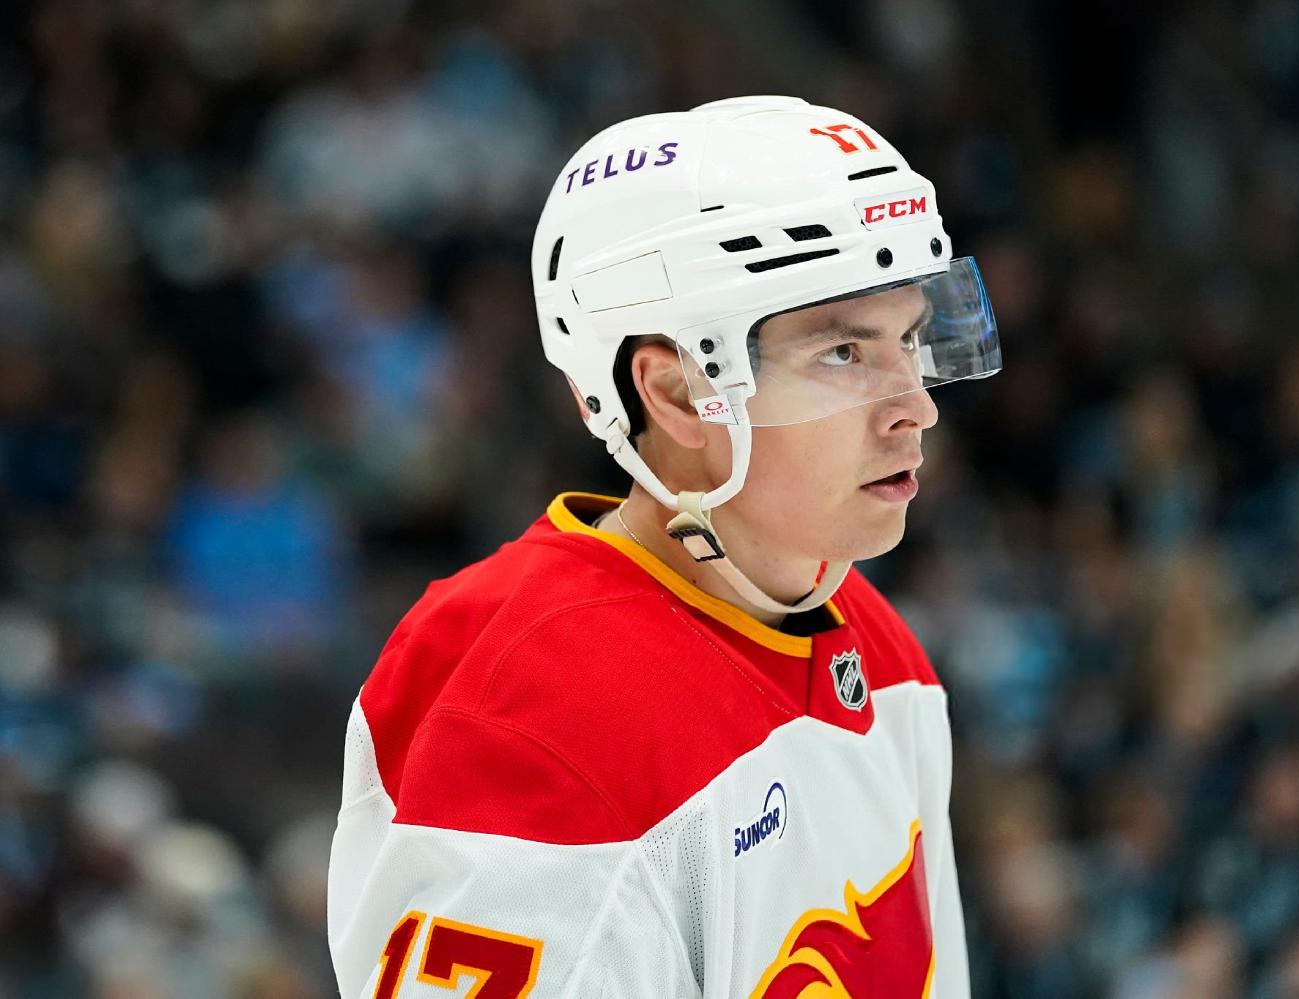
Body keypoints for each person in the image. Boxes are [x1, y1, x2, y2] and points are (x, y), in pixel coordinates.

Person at [327, 95, 1001, 998]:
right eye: (843, 352)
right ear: (678, 393)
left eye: (910, 338)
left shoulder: (874, 642)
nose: (914, 406)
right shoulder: (531, 709)